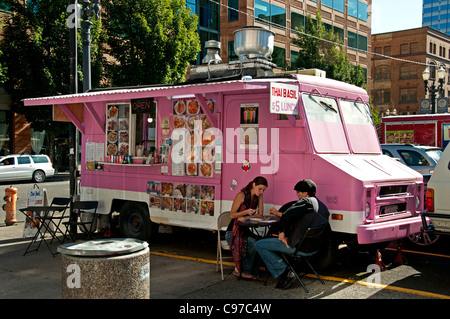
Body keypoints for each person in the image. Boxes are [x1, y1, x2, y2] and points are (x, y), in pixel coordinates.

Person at [255, 179, 329, 289]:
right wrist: (278, 213)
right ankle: (291, 269)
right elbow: (292, 216)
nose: (296, 194)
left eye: (298, 192)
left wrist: (282, 233)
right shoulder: (321, 205)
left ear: (305, 193)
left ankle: (285, 271)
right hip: (314, 247)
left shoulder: (306, 201)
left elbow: (287, 216)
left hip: (298, 247)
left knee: (259, 244)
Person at [226, 176, 268, 279]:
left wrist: (247, 217)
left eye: (263, 189)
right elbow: (232, 215)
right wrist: (245, 212)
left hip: (245, 230)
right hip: (233, 232)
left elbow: (260, 214)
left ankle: (254, 271)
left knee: (261, 242)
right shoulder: (242, 195)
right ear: (253, 184)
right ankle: (243, 271)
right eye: (260, 188)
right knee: (253, 243)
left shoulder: (259, 196)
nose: (261, 191)